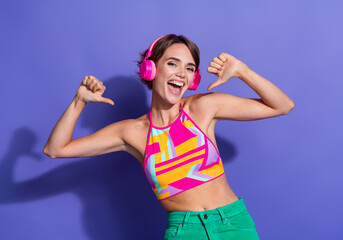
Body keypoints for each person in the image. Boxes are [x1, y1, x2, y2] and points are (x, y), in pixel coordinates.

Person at [43, 34, 294, 240]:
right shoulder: (131, 132)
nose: (182, 74)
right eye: (173, 63)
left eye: (189, 68)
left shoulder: (203, 108)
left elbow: (282, 106)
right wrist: (78, 102)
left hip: (233, 224)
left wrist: (242, 71)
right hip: (184, 231)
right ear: (151, 69)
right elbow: (56, 149)